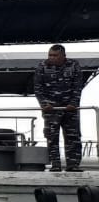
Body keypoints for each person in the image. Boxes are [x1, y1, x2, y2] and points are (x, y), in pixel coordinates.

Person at [35, 44, 87, 172]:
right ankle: (55, 165)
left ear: (63, 56)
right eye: (50, 55)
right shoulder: (42, 66)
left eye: (55, 55)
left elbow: (77, 86)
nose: (52, 58)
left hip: (70, 108)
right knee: (52, 137)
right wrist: (44, 104)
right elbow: (37, 88)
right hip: (51, 109)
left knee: (73, 137)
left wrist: (73, 103)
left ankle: (73, 165)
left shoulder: (73, 65)